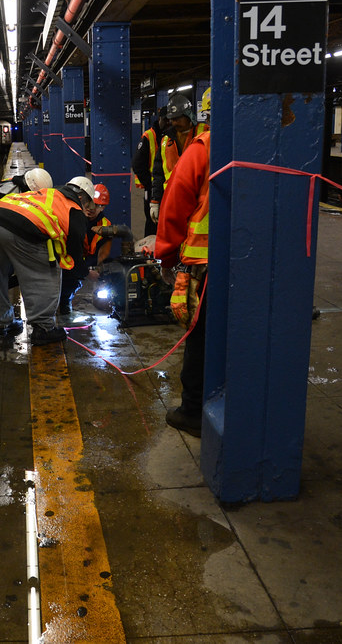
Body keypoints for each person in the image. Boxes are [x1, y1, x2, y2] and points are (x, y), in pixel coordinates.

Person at [0, 176, 95, 345]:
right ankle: (44, 328)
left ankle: (1, 322)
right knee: (44, 271)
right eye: (88, 205)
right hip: (20, 226)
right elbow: (74, 254)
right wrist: (85, 273)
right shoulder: (73, 209)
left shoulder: (49, 194)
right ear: (82, 197)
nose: (87, 210)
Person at [153, 128, 211, 437]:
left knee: (199, 337)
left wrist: (166, 258)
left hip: (204, 267)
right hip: (261, 266)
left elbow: (174, 207)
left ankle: (193, 411)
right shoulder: (276, 143)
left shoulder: (203, 148)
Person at [149, 93, 210, 226]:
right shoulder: (165, 141)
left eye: (178, 118)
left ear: (188, 116)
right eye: (172, 119)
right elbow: (158, 174)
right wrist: (155, 201)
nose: (174, 122)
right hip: (173, 200)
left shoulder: (205, 133)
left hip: (199, 201)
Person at [59, 183, 111, 314]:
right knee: (68, 281)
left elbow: (103, 254)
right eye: (90, 203)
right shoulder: (73, 218)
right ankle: (63, 303)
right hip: (70, 260)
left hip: (88, 261)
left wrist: (102, 275)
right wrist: (85, 272)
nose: (92, 208)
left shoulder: (106, 225)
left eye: (97, 205)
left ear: (103, 207)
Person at [132, 106, 165, 237]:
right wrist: (148, 184)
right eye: (166, 120)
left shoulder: (172, 136)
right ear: (160, 119)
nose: (169, 123)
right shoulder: (148, 136)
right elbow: (137, 164)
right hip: (152, 187)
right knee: (152, 221)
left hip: (169, 186)